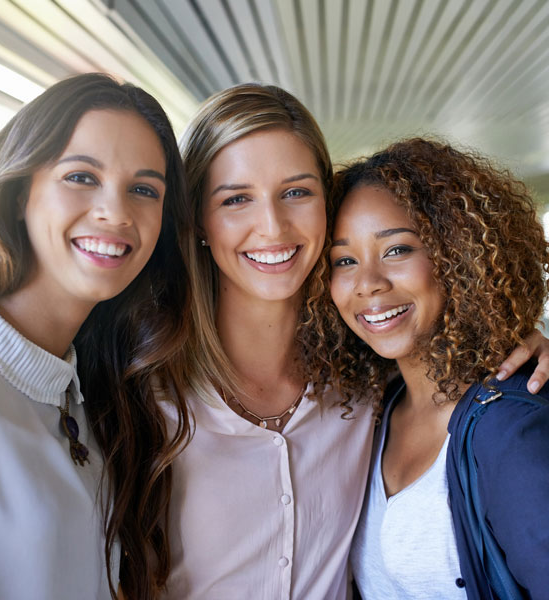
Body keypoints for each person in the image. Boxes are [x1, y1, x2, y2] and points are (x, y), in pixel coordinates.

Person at [161, 86, 549, 599]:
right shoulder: (151, 386)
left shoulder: (378, 384)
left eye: (296, 192)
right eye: (236, 198)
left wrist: (520, 338)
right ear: (197, 220)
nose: (272, 226)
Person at [0, 73, 192, 600]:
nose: (117, 212)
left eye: (144, 189)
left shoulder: (90, 393)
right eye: (82, 177)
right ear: (18, 193)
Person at [328, 138, 549, 599]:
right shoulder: (372, 407)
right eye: (344, 260)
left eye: (397, 250)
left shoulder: (511, 430)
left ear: (458, 256)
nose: (368, 283)